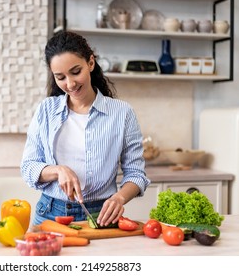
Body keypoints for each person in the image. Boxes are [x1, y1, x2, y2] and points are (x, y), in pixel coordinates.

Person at [20, 30, 150, 227]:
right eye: (60, 77)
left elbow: (136, 174)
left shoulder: (122, 113)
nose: (70, 84)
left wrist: (119, 198)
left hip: (101, 215)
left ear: (90, 63)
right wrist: (57, 171)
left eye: (75, 72)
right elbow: (28, 167)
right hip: (50, 214)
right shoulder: (46, 110)